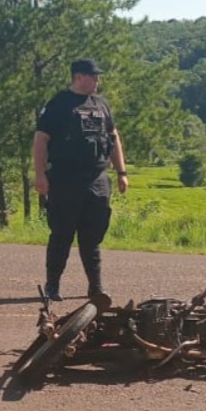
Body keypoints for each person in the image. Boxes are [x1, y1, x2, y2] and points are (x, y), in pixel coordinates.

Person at [32, 58, 128, 302]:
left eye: (97, 76)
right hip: (65, 178)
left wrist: (121, 173)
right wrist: (40, 175)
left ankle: (95, 287)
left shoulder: (101, 104)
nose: (97, 81)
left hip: (96, 178)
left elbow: (113, 138)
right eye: (93, 76)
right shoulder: (59, 104)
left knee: (92, 237)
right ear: (79, 77)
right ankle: (52, 286)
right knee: (62, 234)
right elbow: (41, 140)